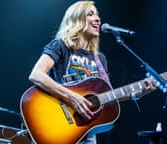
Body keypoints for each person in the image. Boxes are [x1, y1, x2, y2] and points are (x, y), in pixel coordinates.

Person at [28, 1, 108, 143]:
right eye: (91, 14)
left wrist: (141, 88)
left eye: (98, 15)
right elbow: (36, 75)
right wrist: (72, 97)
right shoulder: (60, 46)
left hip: (87, 130)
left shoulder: (100, 58)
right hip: (59, 122)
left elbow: (108, 95)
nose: (98, 19)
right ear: (76, 19)